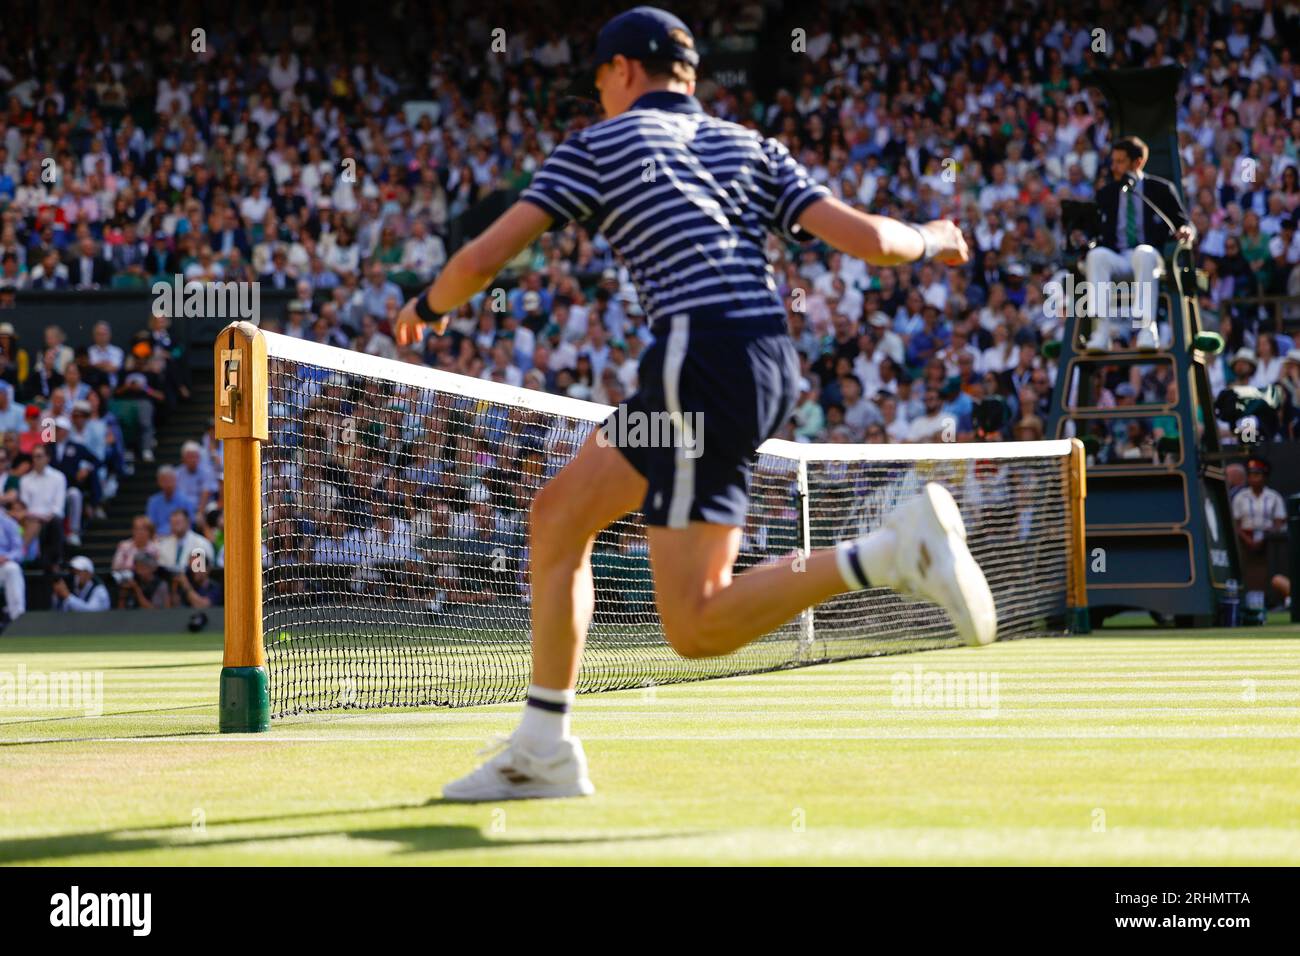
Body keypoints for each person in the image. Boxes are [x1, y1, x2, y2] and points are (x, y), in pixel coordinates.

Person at [395, 6, 992, 802]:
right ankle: (542, 747)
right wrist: (934, 235)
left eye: (598, 78)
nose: (597, 93)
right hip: (761, 360)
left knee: (696, 623)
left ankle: (885, 554)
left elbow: (483, 256)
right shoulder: (747, 145)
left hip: (697, 365)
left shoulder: (602, 143)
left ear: (621, 71)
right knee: (560, 515)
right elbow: (876, 243)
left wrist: (426, 309)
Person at [1084, 136, 1194, 352]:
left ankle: (1146, 329)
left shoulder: (1160, 189)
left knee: (1143, 254)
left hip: (1151, 258)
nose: (1114, 167)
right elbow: (1094, 231)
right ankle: (1101, 331)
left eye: (1120, 161)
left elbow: (1183, 223)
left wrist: (1185, 231)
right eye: (1113, 161)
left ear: (1138, 162)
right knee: (1096, 257)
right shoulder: (1106, 194)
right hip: (1119, 257)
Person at [0, 493, 26, 624]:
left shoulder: (7, 522)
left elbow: (19, 551)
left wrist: (5, 557)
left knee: (13, 569)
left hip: (2, 565)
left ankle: (17, 619)